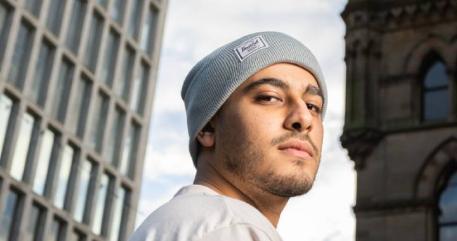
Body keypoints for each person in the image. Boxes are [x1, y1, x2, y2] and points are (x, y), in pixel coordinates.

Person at [128, 31, 327, 241]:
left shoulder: (185, 223)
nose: (304, 118)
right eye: (269, 98)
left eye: (313, 106)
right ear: (207, 128)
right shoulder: (229, 227)